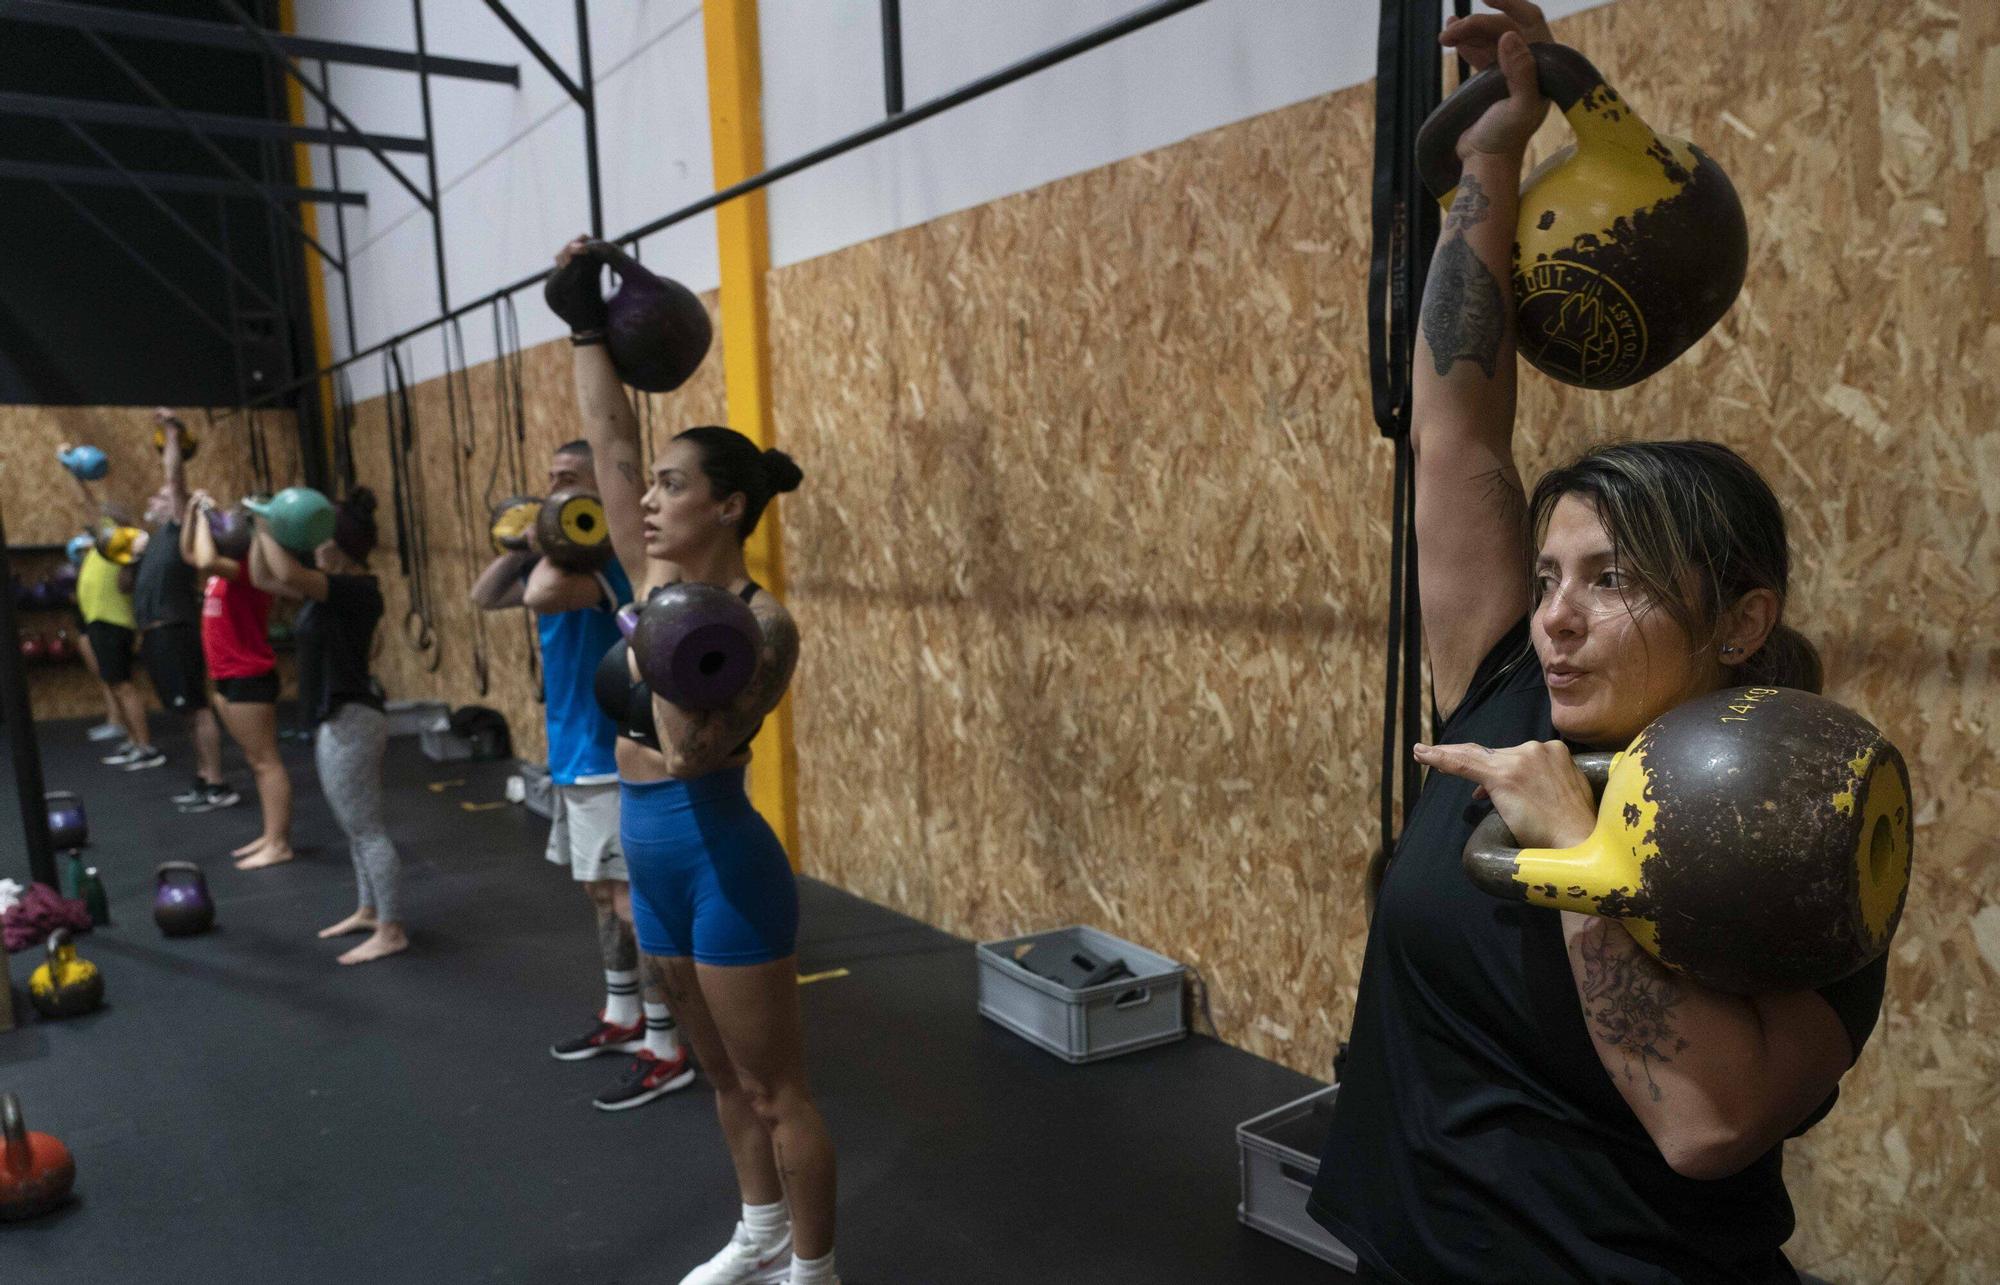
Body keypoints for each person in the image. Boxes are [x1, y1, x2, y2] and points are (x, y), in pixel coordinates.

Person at [1307, 7, 1889, 1283]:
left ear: (1741, 618)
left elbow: (1710, 1125)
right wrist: (1495, 156)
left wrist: (1574, 851)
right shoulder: (1510, 686)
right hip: (1401, 1250)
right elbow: (1455, 431)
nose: (1556, 612)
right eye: (1552, 572)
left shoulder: (1795, 825)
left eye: (1611, 579)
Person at [551, 236, 836, 1285]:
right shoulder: (647, 570)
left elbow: (690, 748)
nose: (648, 497)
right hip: (648, 850)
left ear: (725, 506)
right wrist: (587, 319)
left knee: (775, 1089)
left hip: (720, 858)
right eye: (652, 485)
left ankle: (815, 1269)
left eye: (674, 486)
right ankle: (758, 1231)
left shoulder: (761, 624)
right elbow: (610, 438)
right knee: (715, 1074)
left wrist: (668, 631)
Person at [470, 443, 691, 1111]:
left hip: (607, 757)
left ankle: (666, 1046)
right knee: (602, 894)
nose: (553, 490)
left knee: (631, 902)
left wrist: (543, 541)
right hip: (572, 755)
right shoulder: (558, 556)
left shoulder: (605, 572)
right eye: (550, 481)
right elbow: (486, 595)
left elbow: (537, 595)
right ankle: (623, 1014)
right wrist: (522, 537)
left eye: (569, 481)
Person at [249, 488, 408, 965]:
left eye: (321, 538)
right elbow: (262, 575)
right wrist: (262, 524)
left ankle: (392, 928)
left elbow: (286, 571)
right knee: (353, 826)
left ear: (336, 544)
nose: (313, 544)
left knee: (367, 828)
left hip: (354, 717)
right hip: (335, 717)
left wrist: (265, 524)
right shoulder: (325, 588)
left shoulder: (358, 590)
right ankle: (368, 910)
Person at [183, 491, 294, 870]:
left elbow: (204, 557)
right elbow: (190, 555)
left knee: (266, 762)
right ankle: (270, 834)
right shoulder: (221, 572)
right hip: (228, 676)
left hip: (250, 675)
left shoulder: (248, 568)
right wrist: (191, 513)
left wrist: (202, 518)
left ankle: (279, 843)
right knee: (254, 760)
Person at [132, 409, 235, 811]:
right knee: (188, 713)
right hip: (158, 634)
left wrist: (171, 433)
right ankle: (204, 777)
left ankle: (217, 784)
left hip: (174, 630)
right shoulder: (157, 538)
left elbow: (175, 478)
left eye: (161, 496)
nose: (154, 498)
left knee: (197, 708)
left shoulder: (179, 525)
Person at [57, 445, 159, 769]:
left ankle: (145, 747)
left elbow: (89, 504)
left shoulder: (121, 543)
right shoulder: (105, 545)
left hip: (113, 621)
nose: (97, 521)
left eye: (104, 519)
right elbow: (91, 510)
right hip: (102, 620)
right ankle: (133, 741)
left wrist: (71, 467)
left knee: (123, 686)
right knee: (115, 684)